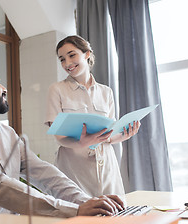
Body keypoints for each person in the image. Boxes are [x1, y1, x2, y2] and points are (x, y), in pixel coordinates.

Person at [0, 57, 124, 218]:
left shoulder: (7, 134)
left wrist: (88, 202)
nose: (4, 89)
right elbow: (0, 187)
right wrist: (74, 210)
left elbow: (44, 173)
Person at [45, 35, 140, 197]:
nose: (67, 63)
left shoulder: (106, 92)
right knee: (78, 216)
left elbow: (107, 136)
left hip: (106, 167)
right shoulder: (57, 89)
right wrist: (81, 142)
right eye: (62, 59)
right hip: (74, 168)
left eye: (72, 55)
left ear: (87, 54)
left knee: (113, 216)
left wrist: (124, 135)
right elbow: (59, 136)